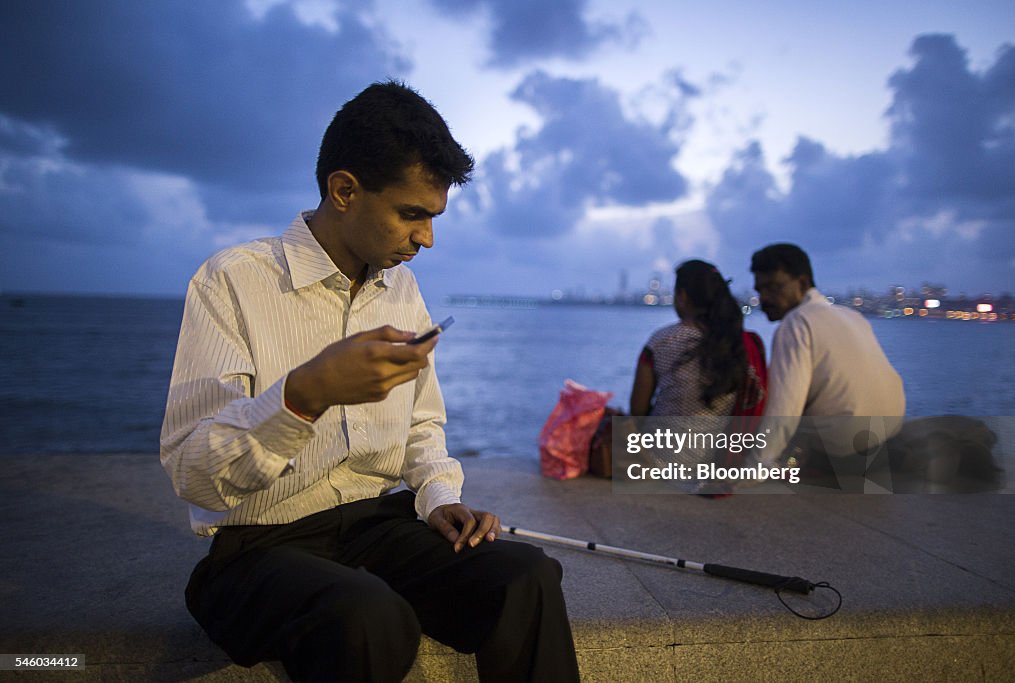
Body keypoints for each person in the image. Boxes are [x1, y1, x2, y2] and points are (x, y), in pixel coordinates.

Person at [160, 81, 579, 682]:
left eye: (433, 218)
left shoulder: (400, 286)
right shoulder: (232, 280)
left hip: (373, 526)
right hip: (257, 548)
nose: (426, 238)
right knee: (368, 615)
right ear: (345, 190)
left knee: (527, 575)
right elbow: (193, 472)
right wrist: (304, 395)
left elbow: (421, 423)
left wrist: (438, 496)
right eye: (412, 214)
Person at [750, 243, 905, 472]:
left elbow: (783, 413)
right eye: (760, 290)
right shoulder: (851, 315)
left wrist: (751, 470)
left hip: (844, 455)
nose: (764, 298)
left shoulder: (796, 323)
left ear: (802, 283)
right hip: (890, 437)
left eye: (774, 288)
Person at [630, 259, 766, 420]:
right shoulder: (738, 342)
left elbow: (637, 409)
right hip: (722, 443)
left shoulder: (661, 341)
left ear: (682, 296)